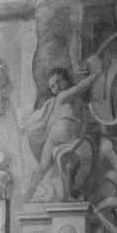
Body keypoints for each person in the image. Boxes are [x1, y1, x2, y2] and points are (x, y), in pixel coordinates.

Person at [25, 58, 101, 201]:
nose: (56, 87)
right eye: (53, 86)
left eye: (58, 82)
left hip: (53, 136)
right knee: (71, 161)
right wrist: (96, 75)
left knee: (44, 166)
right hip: (64, 131)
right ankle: (63, 193)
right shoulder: (63, 96)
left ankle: (30, 193)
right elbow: (80, 88)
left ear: (67, 79)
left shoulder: (74, 101)